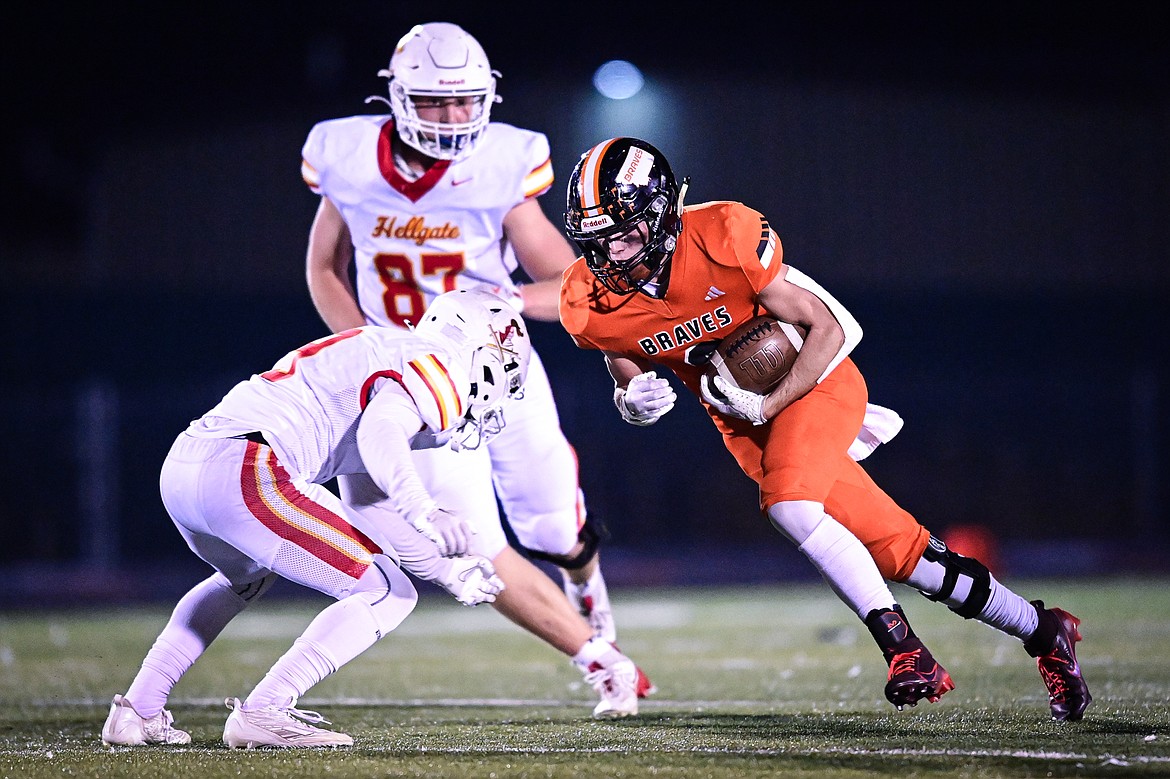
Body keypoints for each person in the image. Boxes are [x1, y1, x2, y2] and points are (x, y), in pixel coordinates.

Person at [558, 137, 1092, 722]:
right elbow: (625, 357)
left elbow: (831, 328)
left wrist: (772, 404)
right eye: (599, 240)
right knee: (902, 552)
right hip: (739, 417)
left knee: (789, 508)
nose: (613, 253)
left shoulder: (724, 235)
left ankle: (903, 648)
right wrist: (632, 398)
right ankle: (1043, 630)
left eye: (625, 233)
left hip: (816, 380)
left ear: (659, 213)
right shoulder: (588, 298)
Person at [100, 290, 638, 749]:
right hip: (247, 467)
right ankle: (266, 709)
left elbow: (366, 506)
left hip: (191, 466)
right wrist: (424, 506)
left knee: (241, 579)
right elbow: (379, 432)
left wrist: (447, 571)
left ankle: (139, 710)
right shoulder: (439, 364)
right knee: (387, 592)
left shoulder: (394, 350)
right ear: (484, 349)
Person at [300, 21, 652, 712]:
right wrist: (374, 351)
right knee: (474, 546)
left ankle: (590, 596)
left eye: (467, 100)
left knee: (553, 527)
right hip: (417, 385)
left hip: (501, 364)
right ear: (399, 98)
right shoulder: (343, 154)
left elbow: (573, 283)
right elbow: (323, 267)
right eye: (437, 101)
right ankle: (598, 655)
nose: (457, 116)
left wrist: (517, 302)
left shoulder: (503, 161)